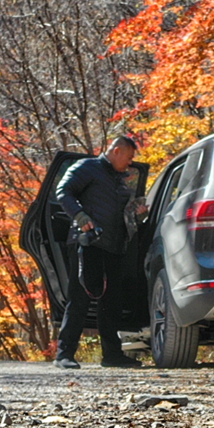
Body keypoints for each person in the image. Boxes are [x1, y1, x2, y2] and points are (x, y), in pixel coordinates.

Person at [54, 135, 144, 369]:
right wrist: (80, 217)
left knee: (111, 303)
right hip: (88, 243)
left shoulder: (121, 181)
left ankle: (112, 355)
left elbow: (123, 213)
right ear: (116, 151)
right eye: (129, 157)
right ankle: (64, 354)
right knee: (80, 297)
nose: (130, 163)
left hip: (113, 247)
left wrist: (137, 213)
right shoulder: (87, 167)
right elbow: (63, 191)